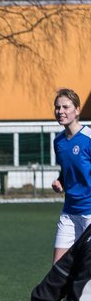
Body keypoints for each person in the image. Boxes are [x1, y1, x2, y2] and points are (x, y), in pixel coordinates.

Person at [51, 88, 91, 263]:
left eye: (66, 107)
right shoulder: (58, 142)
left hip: (89, 213)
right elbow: (68, 170)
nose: (61, 111)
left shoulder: (88, 138)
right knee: (58, 268)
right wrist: (61, 181)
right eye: (57, 107)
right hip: (69, 212)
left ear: (77, 110)